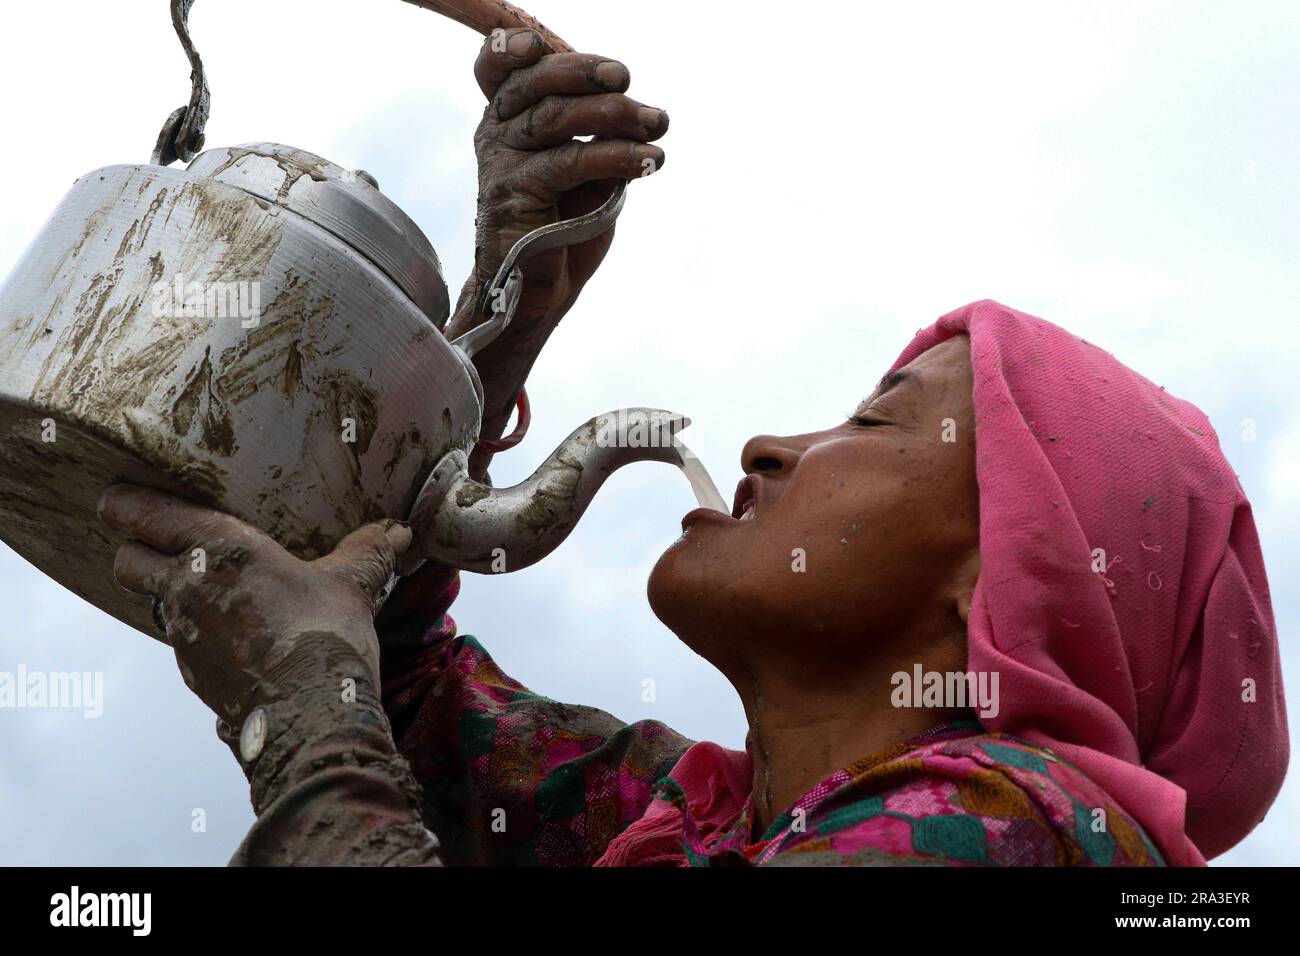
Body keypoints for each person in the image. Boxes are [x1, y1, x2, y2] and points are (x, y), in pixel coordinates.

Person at [96, 29, 1287, 867]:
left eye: (870, 422)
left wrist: (309, 701)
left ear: (1005, 585)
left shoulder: (1004, 825)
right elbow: (395, 687)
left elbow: (341, 705)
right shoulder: (698, 816)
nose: (770, 444)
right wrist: (495, 328)